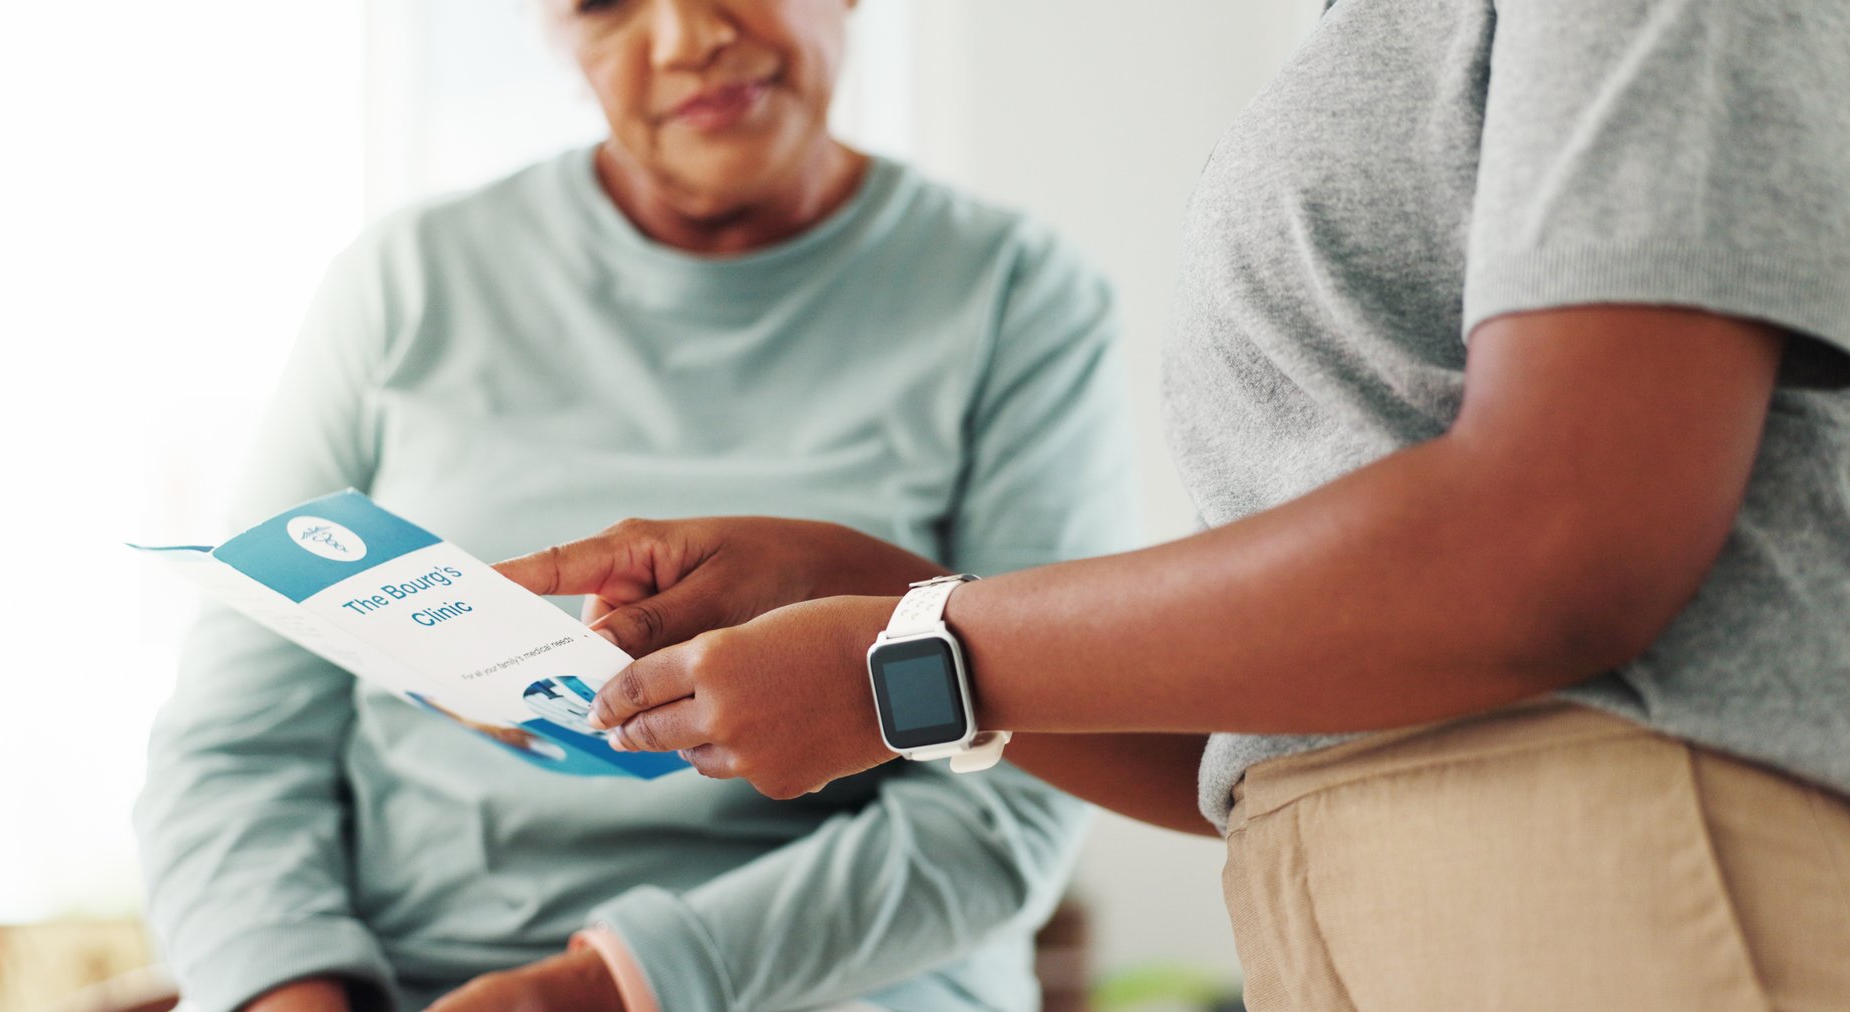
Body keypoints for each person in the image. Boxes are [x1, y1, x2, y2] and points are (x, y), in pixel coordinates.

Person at [487, 0, 1850, 1009]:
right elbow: (1265, 720)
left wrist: (890, 658)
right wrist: (866, 591)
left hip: (1605, 865)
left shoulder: (1010, 284)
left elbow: (1561, 540)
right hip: (1358, 910)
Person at [132, 0, 1138, 1009]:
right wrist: (289, 989)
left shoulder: (1014, 296)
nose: (683, 38)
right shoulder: (405, 284)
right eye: (606, 2)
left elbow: (1016, 799)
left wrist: (607, 986)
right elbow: (237, 742)